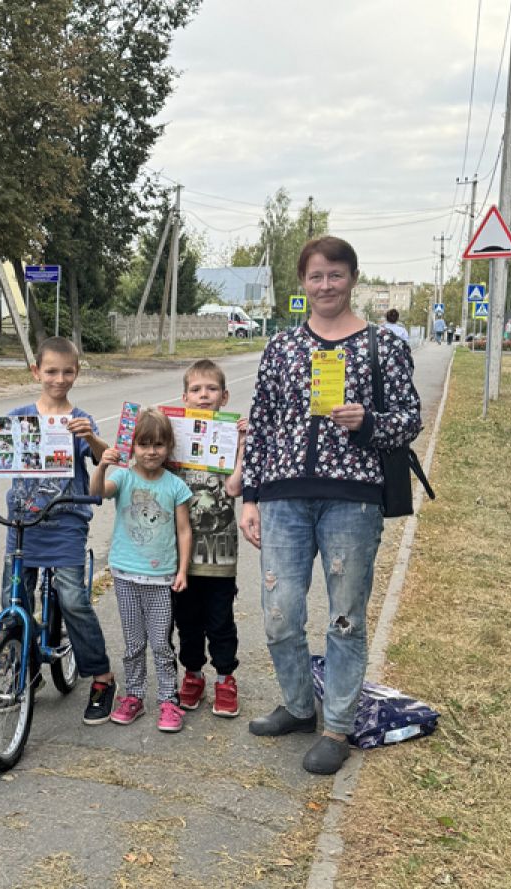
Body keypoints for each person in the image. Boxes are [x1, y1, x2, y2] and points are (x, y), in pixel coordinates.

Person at [238, 236, 421, 775]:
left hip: (352, 501)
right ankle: (298, 706)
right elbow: (264, 423)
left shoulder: (382, 346)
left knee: (344, 619)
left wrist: (367, 423)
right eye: (316, 276)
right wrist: (250, 495)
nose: (325, 286)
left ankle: (337, 725)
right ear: (303, 283)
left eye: (335, 276)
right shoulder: (283, 347)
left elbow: (409, 420)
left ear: (353, 279)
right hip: (283, 498)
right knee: (279, 616)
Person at [0, 337, 117, 724]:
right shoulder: (19, 417)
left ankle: (101, 677)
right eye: (51, 371)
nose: (59, 378)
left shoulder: (80, 419)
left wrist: (90, 438)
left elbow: (104, 458)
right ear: (36, 372)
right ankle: (27, 663)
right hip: (22, 524)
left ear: (77, 373)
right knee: (13, 601)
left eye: (67, 371)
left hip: (66, 523)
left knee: (72, 598)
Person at [91, 409, 194, 732]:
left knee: (162, 644)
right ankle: (134, 695)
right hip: (125, 576)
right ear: (132, 445)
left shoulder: (175, 486)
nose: (152, 451)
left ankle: (168, 700)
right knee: (134, 643)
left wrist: (182, 570)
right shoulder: (123, 477)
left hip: (161, 579)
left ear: (169, 447)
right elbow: (97, 493)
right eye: (144, 444)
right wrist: (103, 464)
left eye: (159, 444)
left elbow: (183, 530)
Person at [170, 360, 247, 718]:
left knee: (219, 618)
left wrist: (243, 445)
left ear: (224, 396)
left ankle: (226, 678)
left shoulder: (230, 437)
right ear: (184, 397)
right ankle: (193, 674)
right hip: (180, 553)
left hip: (219, 551)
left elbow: (233, 487)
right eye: (196, 390)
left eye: (211, 389)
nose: (204, 396)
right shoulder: (175, 438)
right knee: (186, 619)